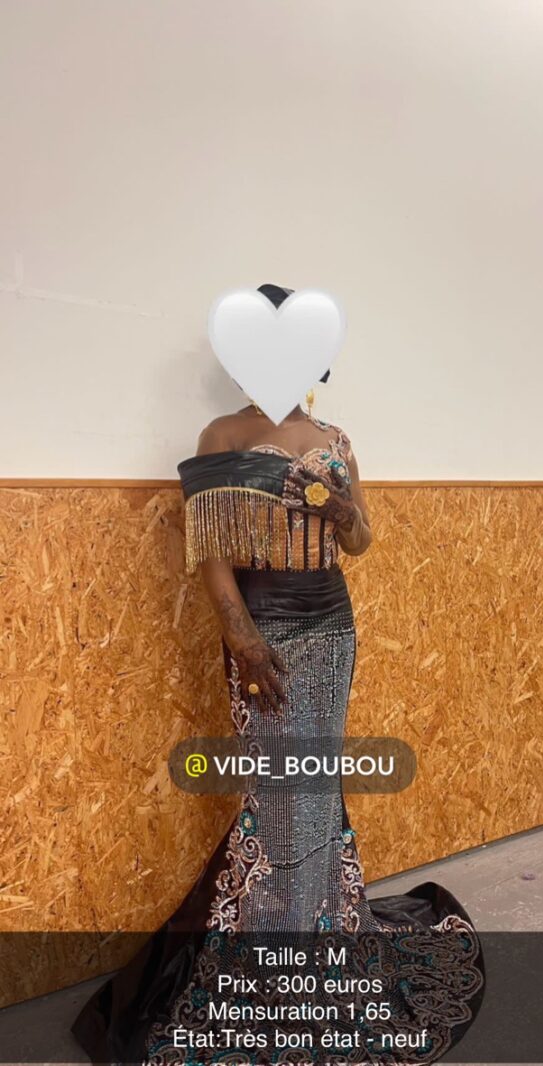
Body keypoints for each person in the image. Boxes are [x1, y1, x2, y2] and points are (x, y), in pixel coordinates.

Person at [72, 283, 485, 1065]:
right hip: (263, 631)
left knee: (316, 784)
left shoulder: (334, 437)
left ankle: (319, 934)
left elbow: (360, 541)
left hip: (333, 626)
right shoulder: (223, 433)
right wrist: (242, 637)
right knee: (279, 787)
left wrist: (343, 513)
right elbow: (210, 551)